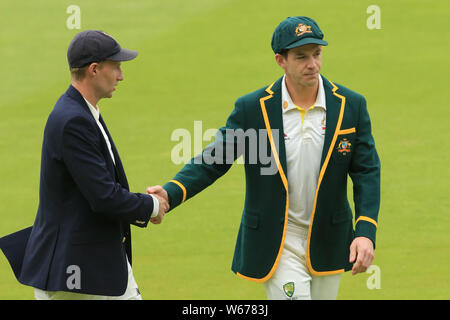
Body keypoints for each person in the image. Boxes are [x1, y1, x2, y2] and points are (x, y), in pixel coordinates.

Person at [148, 16, 380, 300]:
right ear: (280, 60)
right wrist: (170, 194)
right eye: (301, 57)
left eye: (317, 54)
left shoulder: (350, 105)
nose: (313, 64)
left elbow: (366, 171)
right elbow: (214, 160)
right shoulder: (253, 109)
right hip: (278, 241)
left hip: (328, 238)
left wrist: (365, 230)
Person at [0, 30, 168, 300]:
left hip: (91, 262)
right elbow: (103, 197)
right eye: (116, 67)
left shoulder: (81, 111)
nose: (121, 75)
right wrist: (151, 206)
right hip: (75, 272)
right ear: (94, 69)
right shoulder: (73, 121)